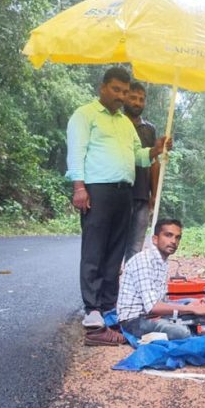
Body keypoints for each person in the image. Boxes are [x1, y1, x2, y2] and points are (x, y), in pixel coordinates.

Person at [66, 66, 171, 331]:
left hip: (125, 191)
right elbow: (76, 152)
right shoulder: (85, 115)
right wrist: (79, 187)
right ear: (103, 87)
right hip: (97, 189)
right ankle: (92, 308)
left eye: (125, 92)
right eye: (116, 90)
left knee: (115, 251)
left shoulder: (125, 123)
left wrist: (156, 150)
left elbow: (139, 156)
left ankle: (109, 305)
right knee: (94, 249)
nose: (121, 96)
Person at [117, 219, 205, 340]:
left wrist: (189, 305)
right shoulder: (144, 261)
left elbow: (159, 302)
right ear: (155, 239)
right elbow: (153, 306)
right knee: (181, 333)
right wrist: (190, 308)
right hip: (134, 320)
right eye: (168, 235)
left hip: (152, 313)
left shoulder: (162, 261)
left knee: (195, 302)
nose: (173, 241)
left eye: (177, 237)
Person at [123, 82, 160, 262]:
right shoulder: (116, 123)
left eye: (141, 99)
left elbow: (154, 162)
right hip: (120, 191)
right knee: (116, 242)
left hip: (142, 194)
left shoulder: (149, 129)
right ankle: (110, 288)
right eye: (133, 98)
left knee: (135, 247)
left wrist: (155, 193)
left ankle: (129, 287)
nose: (137, 103)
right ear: (124, 97)